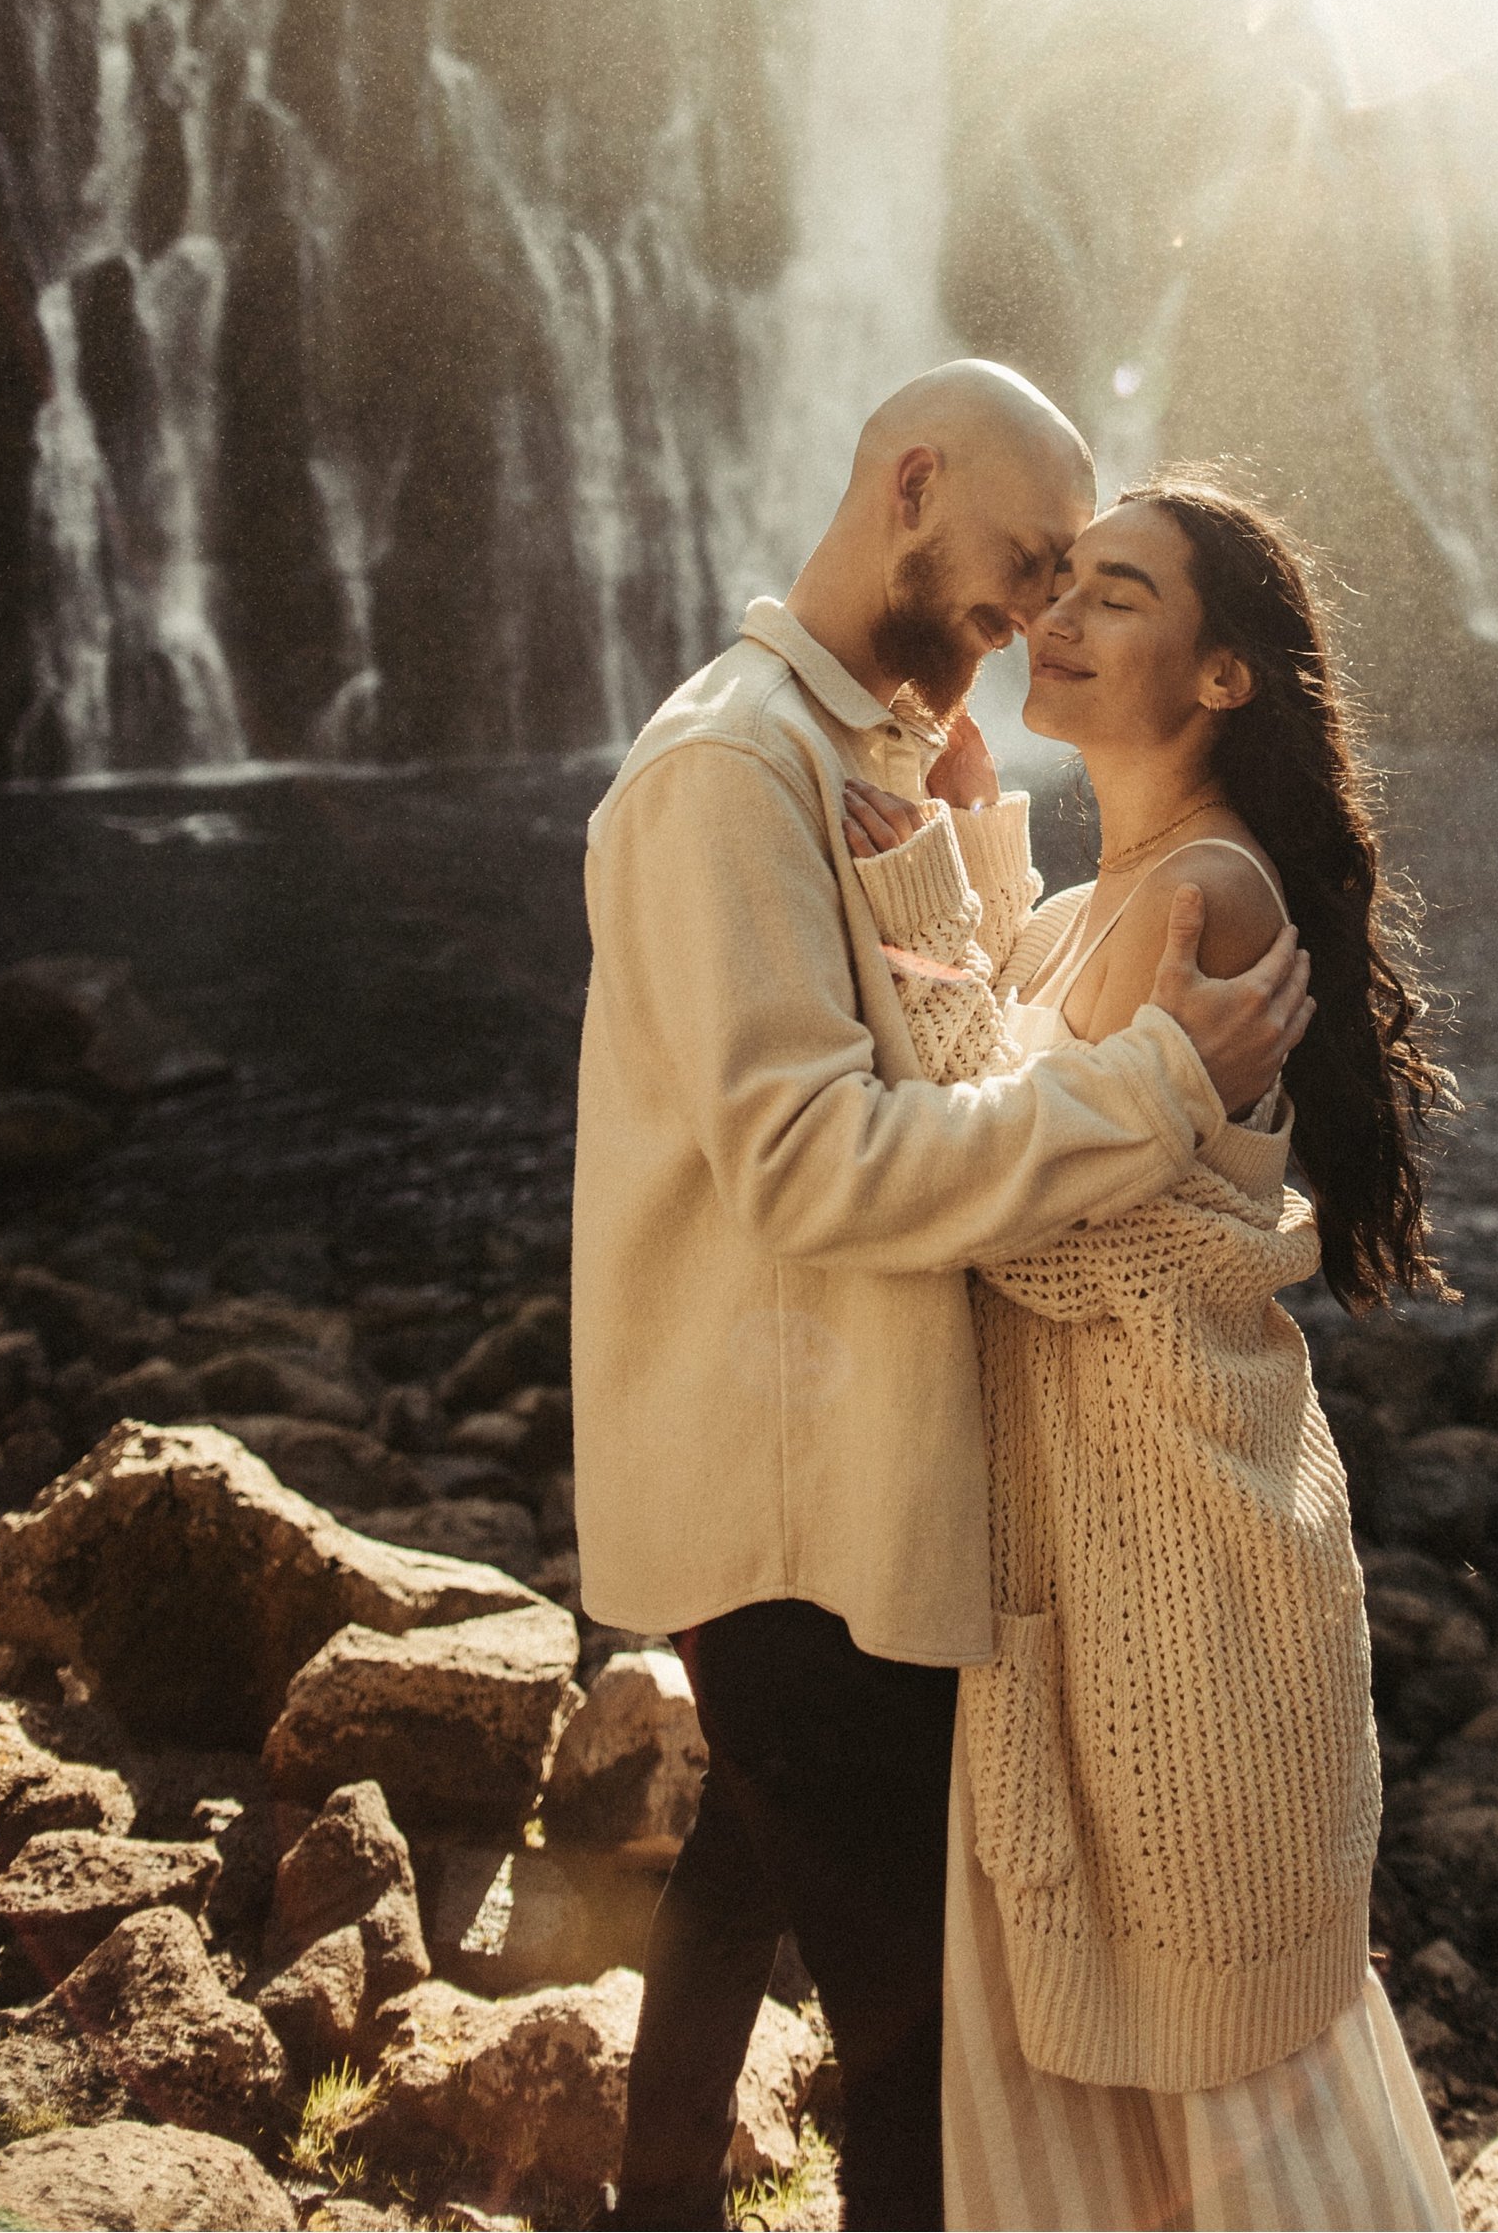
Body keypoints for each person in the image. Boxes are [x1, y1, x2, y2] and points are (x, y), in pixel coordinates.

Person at [571, 364, 1316, 2232]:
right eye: (1030, 560)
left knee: (739, 1888)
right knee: (911, 2067)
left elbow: (955, 1054)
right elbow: (819, 1157)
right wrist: (1160, 1093)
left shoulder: (857, 754)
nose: (1045, 610)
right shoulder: (730, 769)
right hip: (796, 1507)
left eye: (1086, 579)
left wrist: (981, 858)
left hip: (860, 1483)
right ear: (912, 483)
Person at [840, 474, 1463, 2232]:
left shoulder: (1208, 900)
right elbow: (1014, 1104)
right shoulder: (1107, 903)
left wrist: (930, 876)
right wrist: (974, 840)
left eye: (1117, 595)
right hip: (1106, 1553)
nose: (1061, 618)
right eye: (1062, 587)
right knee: (1126, 2071)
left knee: (1237, 2080)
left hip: (1182, 1569)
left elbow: (1008, 1215)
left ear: (1221, 680)